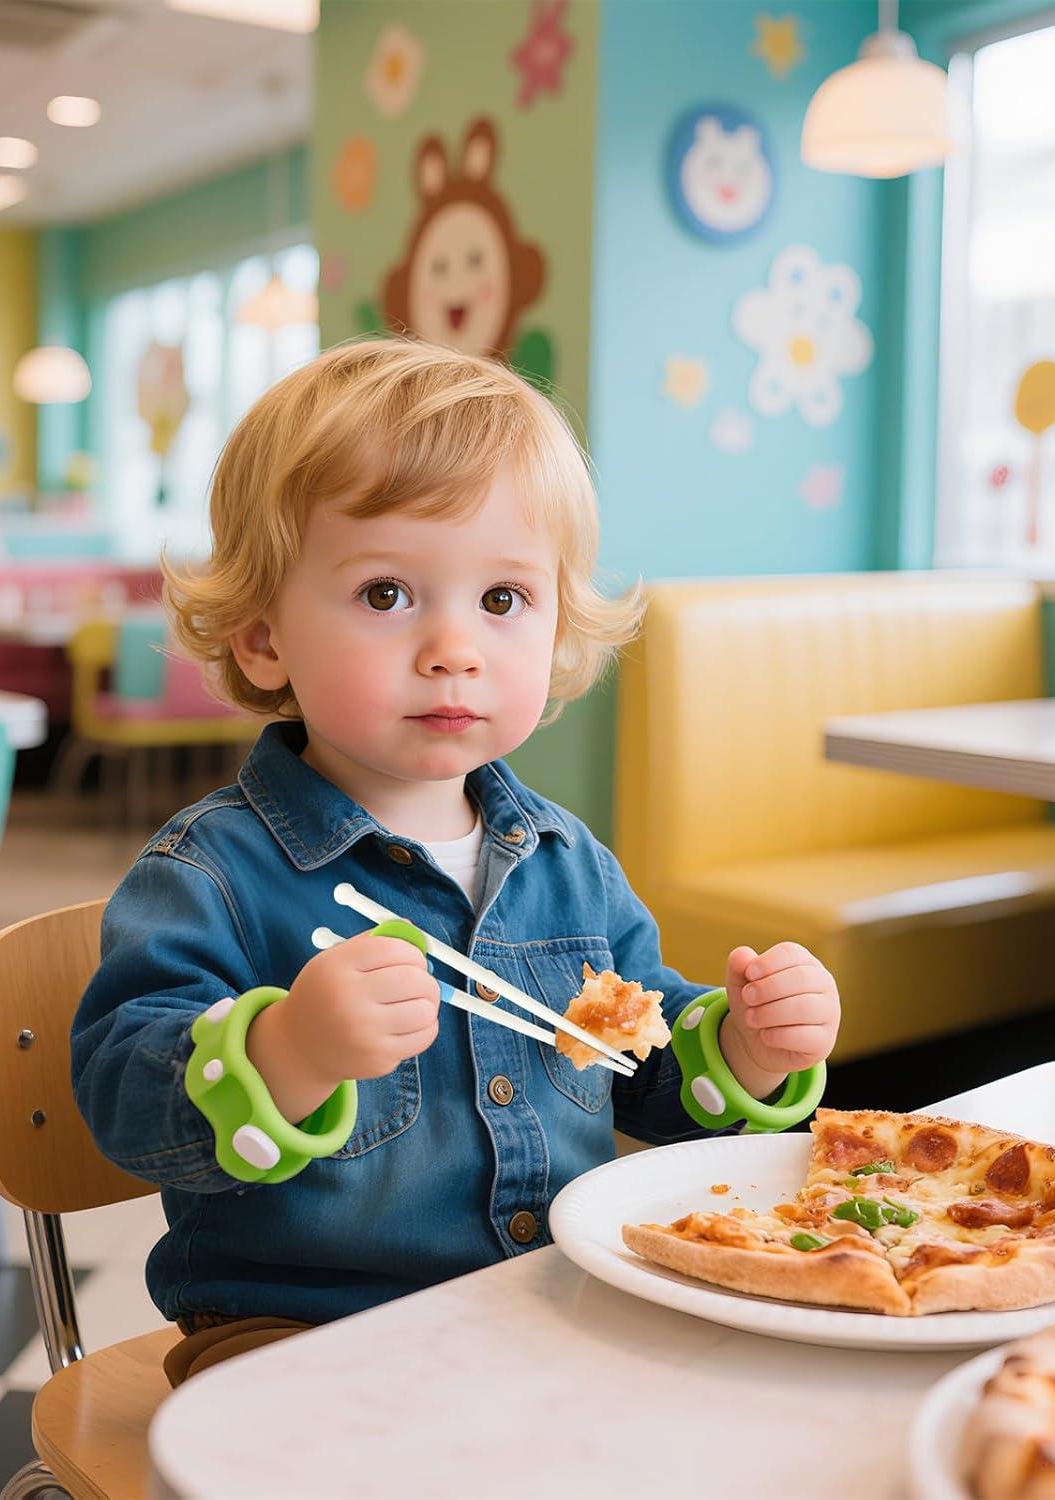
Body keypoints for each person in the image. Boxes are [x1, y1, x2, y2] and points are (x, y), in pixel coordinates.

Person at [71, 340, 843, 1386]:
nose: (454, 648)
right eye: (387, 594)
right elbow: (122, 1102)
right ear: (263, 639)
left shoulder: (570, 864)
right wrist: (289, 1052)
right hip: (298, 1333)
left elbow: (646, 1076)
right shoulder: (209, 872)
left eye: (503, 599)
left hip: (547, 1296)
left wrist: (746, 1052)